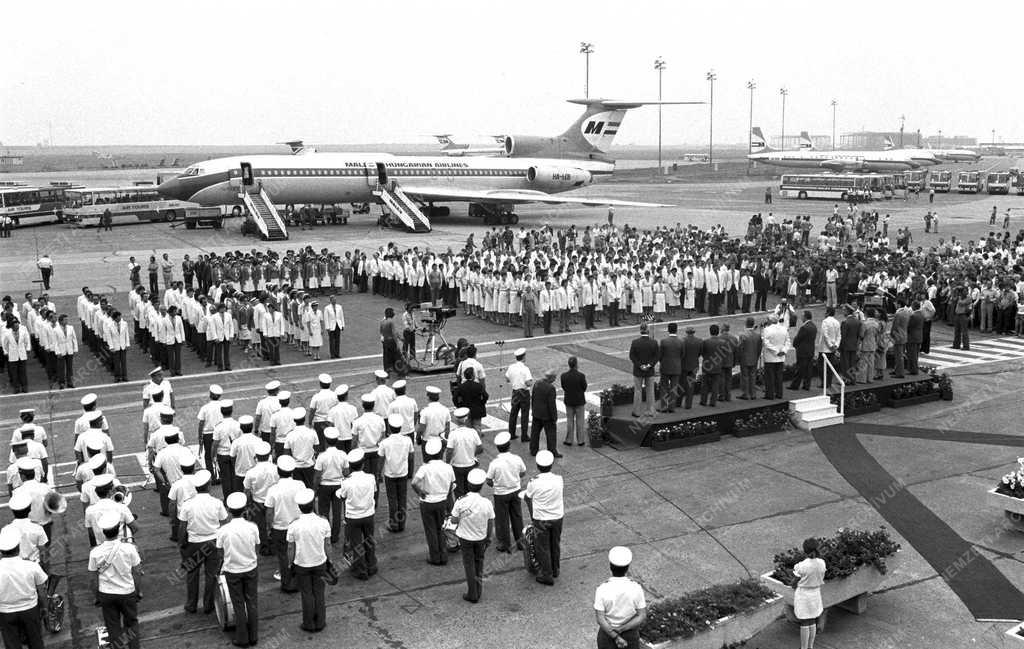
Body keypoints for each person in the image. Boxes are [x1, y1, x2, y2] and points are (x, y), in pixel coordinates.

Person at [88, 512, 143, 649]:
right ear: (118, 528)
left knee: (113, 628)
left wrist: (97, 596)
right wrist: (138, 591)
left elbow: (92, 579)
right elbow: (137, 572)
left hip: (106, 594)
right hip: (127, 592)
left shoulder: (95, 552)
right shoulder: (130, 548)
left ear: (103, 531)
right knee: (131, 625)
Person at [178, 470, 226, 614]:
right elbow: (224, 524)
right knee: (211, 575)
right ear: (209, 485)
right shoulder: (217, 503)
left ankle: (191, 604)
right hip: (213, 542)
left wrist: (182, 545)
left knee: (192, 575)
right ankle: (208, 605)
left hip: (194, 543)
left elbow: (182, 527)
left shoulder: (187, 505)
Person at [217, 492, 260, 647]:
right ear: (245, 509)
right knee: (252, 601)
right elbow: (257, 546)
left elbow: (220, 552)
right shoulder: (252, 527)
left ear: (228, 510)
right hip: (250, 568)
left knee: (238, 603)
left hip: (232, 570)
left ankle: (242, 638)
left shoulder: (223, 531)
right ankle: (254, 635)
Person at [287, 488, 331, 632]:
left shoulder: (293, 525)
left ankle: (308, 623)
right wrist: (328, 560)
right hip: (320, 562)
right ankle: (320, 622)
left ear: (299, 507)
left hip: (302, 564)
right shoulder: (323, 522)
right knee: (319, 592)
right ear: (313, 504)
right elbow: (327, 546)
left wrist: (290, 564)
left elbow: (291, 549)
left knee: (306, 593)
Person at [449, 468, 494, 603]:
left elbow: (453, 520)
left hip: (465, 538)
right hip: (481, 538)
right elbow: (490, 521)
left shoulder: (461, 501)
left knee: (469, 565)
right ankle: (478, 591)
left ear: (468, 485)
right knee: (479, 563)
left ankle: (472, 594)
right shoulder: (486, 503)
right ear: (481, 487)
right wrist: (489, 537)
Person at [0, 526, 48, 649]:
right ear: (18, 547)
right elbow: (42, 591)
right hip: (30, 610)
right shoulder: (31, 566)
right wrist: (45, 608)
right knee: (36, 642)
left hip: (5, 612)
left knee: (12, 645)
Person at [412, 438, 455, 566]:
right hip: (442, 501)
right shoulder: (448, 467)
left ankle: (435, 557)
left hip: (427, 503)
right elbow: (451, 485)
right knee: (442, 528)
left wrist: (420, 492)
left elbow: (414, 482)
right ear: (441, 452)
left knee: (431, 530)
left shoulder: (425, 468)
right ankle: (443, 554)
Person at [594, 546, 647, 649]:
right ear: (627, 568)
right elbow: (642, 615)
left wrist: (615, 636)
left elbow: (600, 619)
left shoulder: (602, 589)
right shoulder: (636, 588)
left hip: (607, 634)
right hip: (630, 634)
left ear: (610, 566)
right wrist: (621, 629)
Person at [336, 448, 378, 580]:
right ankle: (371, 565)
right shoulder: (370, 478)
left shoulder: (346, 482)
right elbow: (375, 492)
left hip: (353, 517)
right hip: (368, 514)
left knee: (356, 544)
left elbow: (342, 496)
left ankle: (360, 570)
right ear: (363, 464)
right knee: (369, 540)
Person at [524, 450, 563, 585]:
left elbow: (527, 498)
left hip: (541, 518)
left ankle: (547, 575)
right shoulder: (559, 479)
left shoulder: (533, 482)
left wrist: (532, 515)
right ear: (551, 464)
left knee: (542, 547)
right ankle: (555, 569)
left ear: (537, 465)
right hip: (557, 516)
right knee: (555, 543)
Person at [264, 456, 303, 593]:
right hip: (297, 525)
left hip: (280, 527)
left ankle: (287, 584)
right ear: (292, 471)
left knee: (283, 556)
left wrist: (269, 528)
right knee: (297, 553)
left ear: (278, 472)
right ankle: (298, 581)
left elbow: (269, 512)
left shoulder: (273, 490)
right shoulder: (300, 485)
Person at [486, 432, 526, 553]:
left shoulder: (494, 463)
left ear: (498, 448)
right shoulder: (517, 458)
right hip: (515, 490)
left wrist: (496, 484)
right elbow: (523, 472)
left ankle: (505, 543)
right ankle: (521, 542)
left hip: (501, 494)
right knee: (517, 516)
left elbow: (488, 480)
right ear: (509, 445)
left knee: (502, 520)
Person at [379, 415, 413, 533]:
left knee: (392, 500)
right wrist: (410, 473)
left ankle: (394, 524)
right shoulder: (407, 440)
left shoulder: (385, 442)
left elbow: (381, 459)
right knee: (402, 498)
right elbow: (411, 456)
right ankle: (402, 524)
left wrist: (379, 474)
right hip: (403, 473)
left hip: (390, 474)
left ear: (389, 427)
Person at [793, 537, 826, 649]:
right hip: (815, 594)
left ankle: (803, 647)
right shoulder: (822, 563)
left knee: (804, 621)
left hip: (804, 596)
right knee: (812, 620)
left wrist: (793, 584)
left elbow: (794, 582)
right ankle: (810, 646)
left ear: (805, 550)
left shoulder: (801, 565)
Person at [446, 408, 483, 497]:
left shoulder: (453, 434)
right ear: (467, 419)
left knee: (459, 492)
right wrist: (472, 454)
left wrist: (447, 463)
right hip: (470, 464)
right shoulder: (473, 432)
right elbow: (480, 448)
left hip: (457, 466)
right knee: (470, 491)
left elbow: (449, 451)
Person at [628, 324, 659, 418]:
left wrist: (640, 365)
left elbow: (632, 356)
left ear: (640, 330)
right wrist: (649, 365)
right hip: (649, 371)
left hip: (638, 370)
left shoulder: (635, 342)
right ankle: (650, 411)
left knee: (638, 391)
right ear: (648, 331)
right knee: (650, 391)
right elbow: (657, 356)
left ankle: (637, 411)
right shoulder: (653, 342)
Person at [529, 369, 560, 457]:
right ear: (551, 378)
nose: (555, 380)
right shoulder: (551, 388)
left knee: (535, 433)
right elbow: (552, 405)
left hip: (536, 413)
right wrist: (554, 417)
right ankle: (552, 451)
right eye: (554, 378)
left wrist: (533, 410)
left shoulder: (537, 383)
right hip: (547, 416)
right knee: (551, 434)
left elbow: (533, 397)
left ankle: (533, 450)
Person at [505, 348, 533, 441]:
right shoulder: (525, 369)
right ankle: (524, 435)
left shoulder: (511, 367)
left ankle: (511, 433)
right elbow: (528, 382)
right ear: (523, 357)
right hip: (524, 392)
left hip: (515, 392)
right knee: (524, 414)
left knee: (513, 413)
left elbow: (507, 378)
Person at [560, 356, 588, 445]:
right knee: (580, 421)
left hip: (569, 401)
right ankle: (580, 440)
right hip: (579, 401)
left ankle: (569, 440)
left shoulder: (563, 376)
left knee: (569, 421)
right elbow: (584, 387)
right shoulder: (581, 376)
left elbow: (563, 387)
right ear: (576, 364)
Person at [761, 315, 790, 400]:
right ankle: (779, 393)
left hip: (771, 357)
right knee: (779, 376)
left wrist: (776, 351)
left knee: (770, 376)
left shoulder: (766, 330)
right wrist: (783, 351)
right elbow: (787, 341)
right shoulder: (784, 329)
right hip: (780, 356)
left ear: (769, 321)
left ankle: (770, 394)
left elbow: (766, 343)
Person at [657, 323, 683, 413]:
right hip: (676, 367)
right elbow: (682, 354)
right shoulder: (681, 341)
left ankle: (663, 407)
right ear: (676, 330)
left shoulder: (664, 341)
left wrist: (663, 362)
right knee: (674, 388)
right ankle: (672, 407)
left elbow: (660, 355)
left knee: (664, 387)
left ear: (668, 330)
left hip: (665, 366)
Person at [698, 325, 725, 407]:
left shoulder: (705, 342)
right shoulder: (722, 342)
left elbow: (702, 352)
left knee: (704, 384)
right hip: (717, 366)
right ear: (718, 332)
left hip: (707, 365)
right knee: (715, 384)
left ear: (710, 331)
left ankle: (703, 401)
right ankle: (713, 402)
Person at [789, 311, 817, 391]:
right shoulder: (813, 326)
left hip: (803, 351)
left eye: (802, 316)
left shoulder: (804, 327)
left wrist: (795, 344)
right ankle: (806, 385)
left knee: (800, 369)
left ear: (805, 317)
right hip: (810, 350)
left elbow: (798, 339)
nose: (801, 318)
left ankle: (795, 385)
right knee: (808, 369)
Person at [737, 318, 762, 400]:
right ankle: (753, 394)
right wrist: (757, 356)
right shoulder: (758, 335)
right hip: (754, 358)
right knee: (753, 376)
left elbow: (740, 348)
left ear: (746, 323)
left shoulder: (743, 335)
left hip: (744, 358)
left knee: (745, 376)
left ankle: (745, 394)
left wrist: (739, 358)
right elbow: (759, 348)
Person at [380, 307, 399, 373]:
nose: (394, 313)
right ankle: (397, 372)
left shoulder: (382, 321)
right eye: (393, 312)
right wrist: (397, 343)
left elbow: (381, 332)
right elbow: (394, 333)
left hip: (385, 341)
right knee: (395, 357)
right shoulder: (391, 321)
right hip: (391, 341)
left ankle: (386, 371)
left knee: (386, 357)